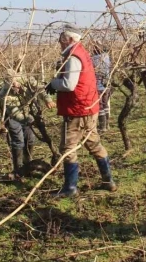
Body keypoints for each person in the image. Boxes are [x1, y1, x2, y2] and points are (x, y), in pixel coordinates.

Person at [45, 25, 117, 197]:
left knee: (68, 148)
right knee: (93, 143)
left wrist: (52, 83)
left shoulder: (73, 57)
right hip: (88, 107)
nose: (59, 43)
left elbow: (69, 85)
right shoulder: (82, 52)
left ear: (69, 39)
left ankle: (70, 188)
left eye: (61, 39)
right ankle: (108, 181)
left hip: (77, 110)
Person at [0, 68, 54, 179]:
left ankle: (27, 166)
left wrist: (48, 99)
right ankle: (18, 169)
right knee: (18, 141)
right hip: (14, 118)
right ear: (7, 84)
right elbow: (15, 114)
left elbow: (40, 88)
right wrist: (30, 120)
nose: (15, 85)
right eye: (12, 84)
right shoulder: (4, 94)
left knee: (30, 139)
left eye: (16, 82)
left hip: (29, 114)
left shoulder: (27, 80)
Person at [91, 42, 112, 132]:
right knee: (105, 103)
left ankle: (102, 127)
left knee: (100, 106)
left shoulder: (94, 59)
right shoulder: (107, 57)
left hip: (98, 86)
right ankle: (107, 125)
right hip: (106, 84)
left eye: (94, 48)